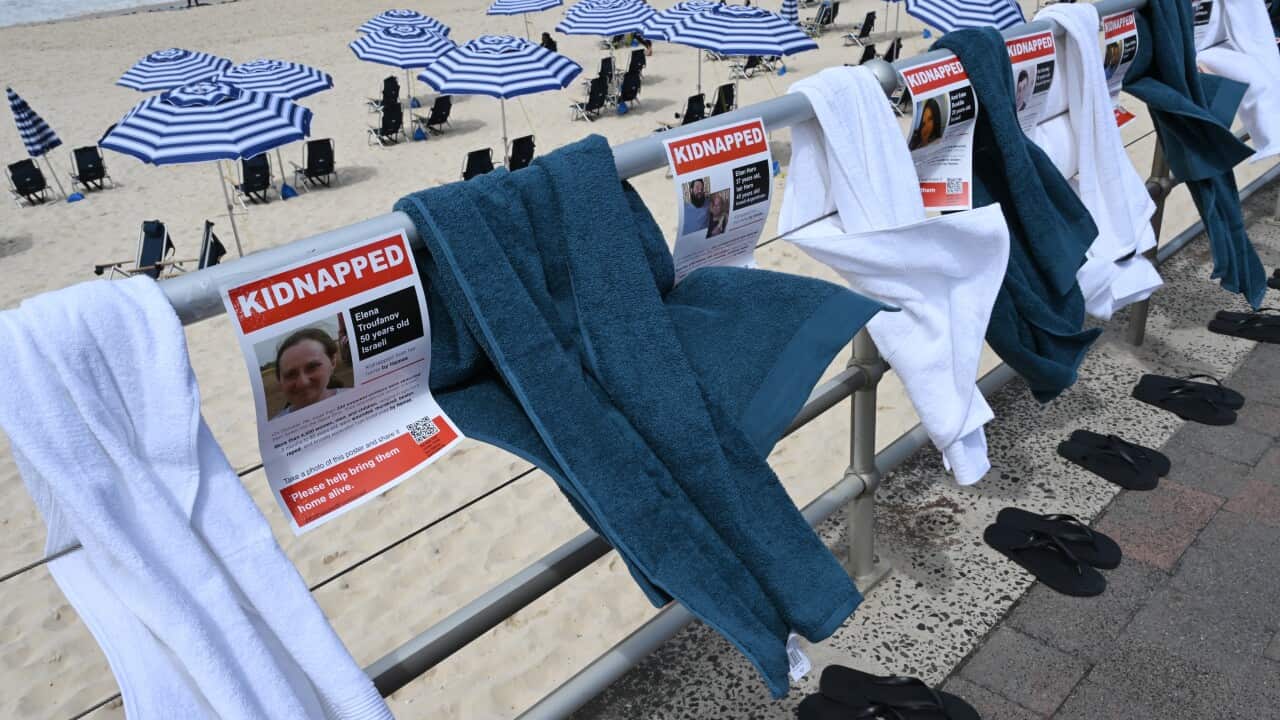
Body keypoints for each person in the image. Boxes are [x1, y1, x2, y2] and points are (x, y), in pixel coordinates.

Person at [271, 327, 347, 419]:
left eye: (312, 367)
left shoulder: (356, 398)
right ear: (280, 381)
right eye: (290, 375)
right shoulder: (273, 428)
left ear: (332, 362)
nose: (303, 383)